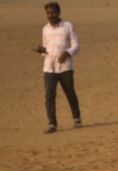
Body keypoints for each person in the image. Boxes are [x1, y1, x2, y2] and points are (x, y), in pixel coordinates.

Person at [35, 2, 82, 134]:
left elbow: (76, 45)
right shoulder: (45, 29)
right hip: (49, 67)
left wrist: (67, 53)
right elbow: (46, 48)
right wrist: (42, 50)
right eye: (48, 13)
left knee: (70, 93)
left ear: (59, 12)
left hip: (65, 67)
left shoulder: (68, 26)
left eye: (53, 12)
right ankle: (52, 124)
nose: (51, 15)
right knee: (49, 96)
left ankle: (77, 117)